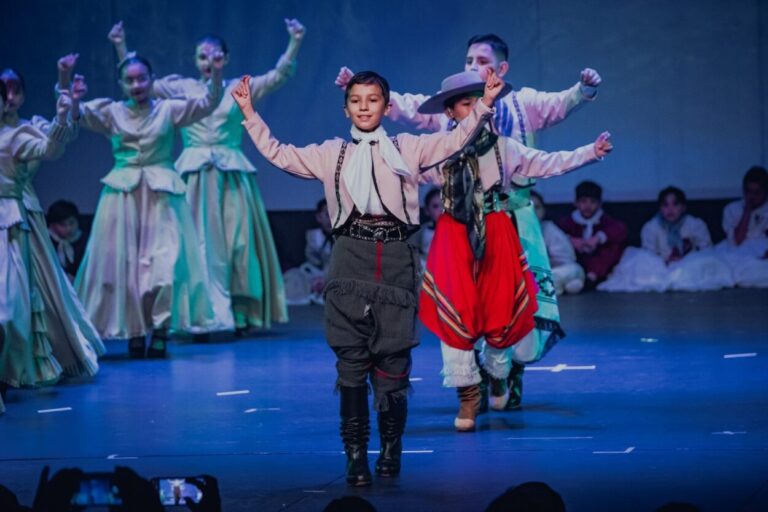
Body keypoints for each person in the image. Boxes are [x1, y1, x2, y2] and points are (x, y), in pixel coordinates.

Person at [233, 69, 504, 485]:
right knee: (351, 362)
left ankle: (391, 449)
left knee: (393, 361)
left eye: (372, 99)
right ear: (346, 107)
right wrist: (250, 113)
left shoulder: (407, 148)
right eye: (356, 100)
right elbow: (280, 153)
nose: (364, 106)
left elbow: (454, 140)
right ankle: (355, 454)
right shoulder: (331, 153)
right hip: (350, 258)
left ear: (386, 106)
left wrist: (483, 104)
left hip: (395, 257)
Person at [335, 32, 603, 408]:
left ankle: (508, 373)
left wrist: (582, 90)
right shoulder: (452, 115)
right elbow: (410, 108)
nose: (473, 67)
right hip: (462, 221)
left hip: (513, 216)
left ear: (502, 67)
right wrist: (362, 94)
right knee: (466, 297)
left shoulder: (523, 104)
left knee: (517, 302)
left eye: (481, 61)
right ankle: (474, 377)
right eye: (468, 61)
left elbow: (560, 105)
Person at [416, 71, 612, 431]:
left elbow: (548, 162)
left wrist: (590, 153)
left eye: (480, 99)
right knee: (456, 313)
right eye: (466, 102)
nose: (476, 106)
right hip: (454, 236)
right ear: (450, 111)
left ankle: (497, 372)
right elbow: (399, 170)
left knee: (500, 310)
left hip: (495, 230)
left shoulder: (504, 148)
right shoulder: (437, 150)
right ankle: (467, 395)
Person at [108, 19, 305, 334]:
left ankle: (240, 311)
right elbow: (140, 83)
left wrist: (295, 41)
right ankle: (195, 312)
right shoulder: (183, 88)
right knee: (197, 243)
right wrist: (120, 46)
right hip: (194, 175)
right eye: (202, 57)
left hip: (232, 175)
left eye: (214, 57)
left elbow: (277, 76)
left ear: (225, 59)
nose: (208, 63)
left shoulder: (240, 88)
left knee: (238, 244)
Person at [59, 51, 222, 358]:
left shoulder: (168, 110)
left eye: (141, 78)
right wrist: (67, 83)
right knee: (127, 268)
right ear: (121, 84)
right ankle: (135, 330)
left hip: (161, 196)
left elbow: (207, 104)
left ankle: (160, 329)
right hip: (123, 198)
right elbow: (75, 114)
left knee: (164, 265)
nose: (136, 85)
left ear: (151, 80)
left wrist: (214, 74)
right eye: (129, 80)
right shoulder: (113, 112)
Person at [1, 65, 104, 395]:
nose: (11, 98)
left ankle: (23, 365)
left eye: (16, 91)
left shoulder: (24, 132)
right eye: (6, 92)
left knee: (30, 291)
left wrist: (65, 105)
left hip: (18, 213)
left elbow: (54, 145)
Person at [0, 81, 79, 414]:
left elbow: (50, 149)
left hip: (9, 225)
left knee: (8, 311)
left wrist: (62, 118)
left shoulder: (15, 137)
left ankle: (5, 380)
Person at [599, 186, 733, 292]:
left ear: (683, 207)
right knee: (642, 262)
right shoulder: (651, 227)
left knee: (705, 262)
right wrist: (665, 261)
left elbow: (707, 249)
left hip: (688, 265)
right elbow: (649, 254)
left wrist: (686, 258)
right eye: (665, 205)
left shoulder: (695, 224)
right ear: (660, 208)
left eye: (675, 205)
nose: (670, 210)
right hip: (661, 266)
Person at [556, 180, 627, 288]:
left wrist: (598, 238)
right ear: (576, 203)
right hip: (576, 258)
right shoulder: (569, 221)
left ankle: (591, 278)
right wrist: (570, 240)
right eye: (583, 201)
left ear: (599, 204)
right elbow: (556, 232)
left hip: (598, 263)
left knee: (613, 246)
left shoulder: (604, 220)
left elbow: (620, 230)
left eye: (592, 202)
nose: (588, 206)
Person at [715, 166, 768, 287]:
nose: (751, 197)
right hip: (736, 249)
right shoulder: (731, 209)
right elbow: (737, 240)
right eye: (748, 191)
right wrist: (747, 212)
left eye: (757, 193)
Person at [530, 190, 585, 295]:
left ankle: (551, 287)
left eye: (537, 208)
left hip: (551, 272)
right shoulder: (512, 230)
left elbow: (566, 260)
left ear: (543, 210)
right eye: (528, 208)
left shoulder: (549, 229)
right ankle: (559, 287)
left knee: (575, 269)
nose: (533, 212)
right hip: (524, 277)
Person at [283, 198, 334, 305]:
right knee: (294, 276)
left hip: (334, 273)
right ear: (319, 217)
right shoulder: (313, 235)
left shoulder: (343, 237)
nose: (331, 219)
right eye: (326, 214)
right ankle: (310, 293)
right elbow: (312, 259)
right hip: (315, 271)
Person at [46, 200, 88, 282]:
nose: (68, 228)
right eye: (62, 225)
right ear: (53, 225)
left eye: (72, 223)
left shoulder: (85, 240)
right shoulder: (46, 241)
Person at [417, 187, 442, 270]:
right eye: (435, 206)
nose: (441, 210)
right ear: (427, 210)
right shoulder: (424, 231)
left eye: (444, 205)